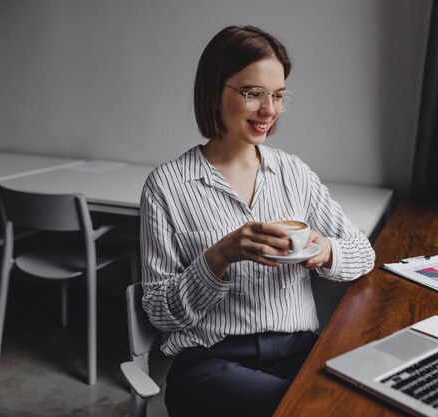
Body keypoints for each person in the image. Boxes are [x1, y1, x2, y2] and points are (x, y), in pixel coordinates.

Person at [140, 25, 376, 417]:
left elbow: (363, 253)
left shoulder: (294, 173)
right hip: (209, 363)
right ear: (214, 91)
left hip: (297, 350)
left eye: (279, 96)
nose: (270, 110)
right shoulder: (166, 186)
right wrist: (219, 257)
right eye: (254, 94)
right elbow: (159, 311)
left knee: (356, 402)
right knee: (307, 408)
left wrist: (322, 250)